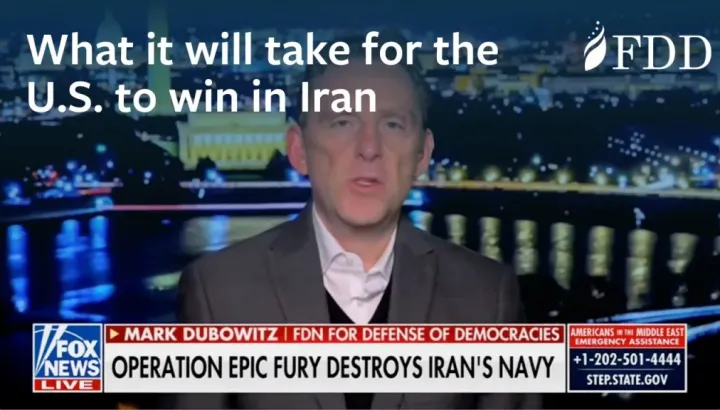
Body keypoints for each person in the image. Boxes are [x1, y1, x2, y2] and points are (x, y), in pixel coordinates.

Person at [173, 31, 539, 409]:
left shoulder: (488, 297)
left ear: (422, 152)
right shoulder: (217, 292)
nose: (369, 148)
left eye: (392, 124)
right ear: (299, 149)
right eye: (342, 122)